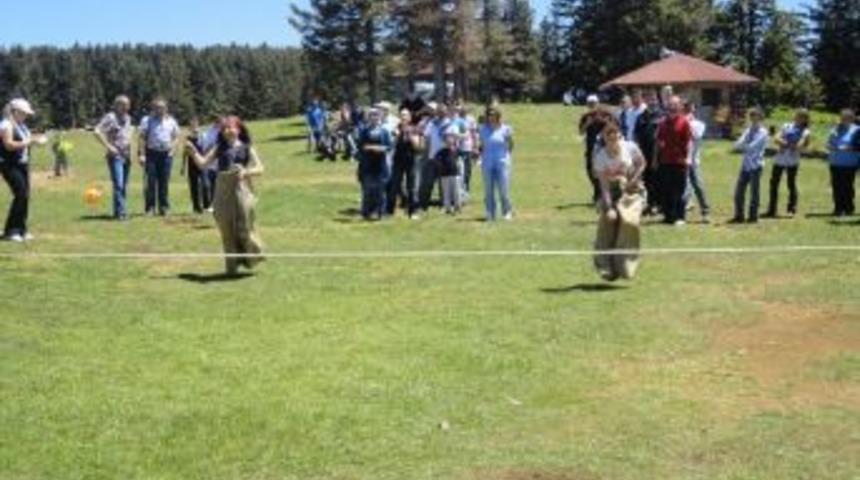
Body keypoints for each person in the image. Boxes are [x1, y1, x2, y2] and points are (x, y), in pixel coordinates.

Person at [185, 116, 265, 276]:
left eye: (231, 127)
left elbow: (260, 168)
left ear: (239, 129)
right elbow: (202, 164)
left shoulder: (247, 147)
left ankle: (253, 254)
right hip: (222, 189)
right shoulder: (218, 147)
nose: (228, 130)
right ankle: (231, 267)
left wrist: (245, 171)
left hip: (242, 189)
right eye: (225, 128)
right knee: (226, 228)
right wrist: (193, 152)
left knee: (244, 227)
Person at [592, 122, 647, 282]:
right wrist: (609, 207)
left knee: (629, 223)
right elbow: (603, 185)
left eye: (615, 138)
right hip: (611, 192)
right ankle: (606, 268)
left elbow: (642, 163)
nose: (613, 143)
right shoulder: (600, 156)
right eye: (609, 140)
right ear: (604, 139)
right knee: (608, 224)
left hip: (630, 191)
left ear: (619, 137)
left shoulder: (629, 147)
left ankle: (626, 266)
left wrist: (634, 180)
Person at [0, 99, 46, 242]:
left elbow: (25, 140)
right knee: (20, 194)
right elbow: (8, 145)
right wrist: (30, 142)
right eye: (24, 113)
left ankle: (21, 229)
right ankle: (11, 230)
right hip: (9, 164)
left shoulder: (21, 125)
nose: (26, 116)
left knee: (25, 195)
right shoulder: (5, 125)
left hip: (22, 164)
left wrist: (36, 139)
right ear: (15, 112)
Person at [94, 95, 135, 220]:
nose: (127, 107)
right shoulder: (110, 117)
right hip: (115, 155)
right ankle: (122, 213)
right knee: (119, 184)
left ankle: (118, 211)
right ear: (117, 105)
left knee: (123, 185)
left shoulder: (128, 118)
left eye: (128, 104)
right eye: (124, 104)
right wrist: (108, 146)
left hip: (126, 155)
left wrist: (131, 153)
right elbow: (96, 131)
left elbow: (127, 136)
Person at [764, 109, 811, 218]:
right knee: (774, 184)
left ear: (805, 119)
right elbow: (776, 138)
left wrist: (785, 143)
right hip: (779, 158)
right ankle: (771, 209)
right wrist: (788, 144)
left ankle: (791, 209)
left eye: (802, 116)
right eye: (798, 115)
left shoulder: (805, 131)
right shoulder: (786, 125)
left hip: (793, 160)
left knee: (791, 184)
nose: (798, 117)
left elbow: (800, 145)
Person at [138, 97, 180, 216]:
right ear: (153, 108)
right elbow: (141, 137)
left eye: (162, 108)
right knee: (151, 182)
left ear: (166, 108)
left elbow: (176, 136)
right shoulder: (147, 120)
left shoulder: (171, 121)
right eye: (157, 107)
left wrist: (173, 150)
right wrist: (141, 154)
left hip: (166, 155)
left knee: (164, 182)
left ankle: (164, 207)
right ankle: (150, 208)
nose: (159, 110)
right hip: (151, 154)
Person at [655, 95, 692, 225]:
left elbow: (689, 142)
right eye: (671, 105)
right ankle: (668, 216)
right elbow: (658, 140)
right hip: (665, 161)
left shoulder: (684, 122)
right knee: (666, 190)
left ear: (680, 107)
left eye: (675, 105)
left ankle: (680, 217)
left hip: (679, 161)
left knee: (679, 190)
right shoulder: (663, 123)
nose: (673, 107)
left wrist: (688, 158)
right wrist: (657, 154)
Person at [730, 108, 770, 224]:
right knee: (739, 192)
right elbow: (739, 142)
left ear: (760, 118)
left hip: (756, 165)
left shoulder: (763, 132)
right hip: (745, 165)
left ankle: (753, 217)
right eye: (751, 116)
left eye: (755, 116)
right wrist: (739, 144)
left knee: (754, 193)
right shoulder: (748, 130)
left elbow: (751, 146)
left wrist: (740, 146)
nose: (752, 118)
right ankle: (739, 216)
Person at [479, 106, 515, 221]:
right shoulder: (483, 129)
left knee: (503, 189)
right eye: (489, 114)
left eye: (493, 114)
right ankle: (490, 212)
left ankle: (507, 212)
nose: (491, 116)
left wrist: (505, 157)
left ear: (498, 115)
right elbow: (481, 145)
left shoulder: (506, 129)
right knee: (488, 189)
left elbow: (511, 145)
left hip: (502, 162)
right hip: (487, 162)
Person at [357, 108, 393, 221]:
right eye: (372, 115)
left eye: (376, 115)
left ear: (380, 117)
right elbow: (360, 146)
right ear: (369, 117)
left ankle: (381, 212)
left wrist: (381, 148)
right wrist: (368, 148)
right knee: (367, 190)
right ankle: (366, 212)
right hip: (368, 165)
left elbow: (389, 146)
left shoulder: (384, 132)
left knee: (381, 191)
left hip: (381, 165)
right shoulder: (364, 131)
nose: (374, 118)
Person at [634, 91, 665, 216]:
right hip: (644, 153)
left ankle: (659, 205)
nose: (652, 101)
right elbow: (636, 136)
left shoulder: (662, 116)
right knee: (646, 180)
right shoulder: (641, 117)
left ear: (657, 100)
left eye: (654, 99)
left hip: (659, 154)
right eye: (649, 99)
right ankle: (650, 204)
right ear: (645, 101)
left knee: (659, 180)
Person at [578, 95, 613, 204]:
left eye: (593, 103)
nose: (592, 105)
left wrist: (602, 120)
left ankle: (602, 194)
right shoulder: (585, 116)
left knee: (602, 171)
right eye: (589, 103)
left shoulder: (606, 114)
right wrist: (588, 124)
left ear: (598, 103)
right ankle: (597, 191)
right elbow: (581, 132)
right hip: (590, 147)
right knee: (590, 170)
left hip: (603, 148)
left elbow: (612, 128)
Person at [387, 109, 421, 218]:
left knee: (412, 187)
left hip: (411, 160)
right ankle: (390, 210)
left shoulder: (415, 129)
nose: (403, 118)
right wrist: (397, 136)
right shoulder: (396, 128)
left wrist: (410, 136)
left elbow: (417, 146)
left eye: (405, 116)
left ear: (409, 118)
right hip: (398, 160)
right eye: (401, 116)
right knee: (395, 185)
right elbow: (391, 144)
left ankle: (413, 211)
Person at [418, 102, 451, 211]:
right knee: (427, 182)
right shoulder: (432, 123)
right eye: (439, 110)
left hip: (444, 157)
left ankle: (444, 204)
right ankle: (423, 204)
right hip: (431, 157)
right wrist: (423, 148)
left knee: (443, 183)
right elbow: (425, 136)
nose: (441, 112)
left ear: (446, 112)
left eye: (443, 111)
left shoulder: (450, 123)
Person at [827, 109, 860, 217]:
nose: (844, 120)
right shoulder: (835, 129)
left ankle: (849, 208)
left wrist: (848, 148)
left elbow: (858, 146)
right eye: (842, 117)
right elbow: (828, 144)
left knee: (847, 186)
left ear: (852, 118)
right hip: (835, 162)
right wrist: (832, 145)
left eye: (847, 118)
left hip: (850, 163)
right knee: (836, 186)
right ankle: (838, 208)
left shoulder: (857, 130)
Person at [683, 102, 711, 223]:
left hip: (693, 161)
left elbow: (696, 136)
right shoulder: (682, 122)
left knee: (698, 185)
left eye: (691, 110)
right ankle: (681, 213)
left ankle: (705, 212)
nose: (689, 112)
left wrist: (687, 124)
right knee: (683, 187)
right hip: (683, 160)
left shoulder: (700, 124)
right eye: (686, 110)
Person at [181, 117, 213, 214]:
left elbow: (207, 148)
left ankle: (207, 206)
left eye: (195, 124)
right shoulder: (188, 138)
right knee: (194, 186)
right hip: (191, 164)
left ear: (198, 125)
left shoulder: (203, 136)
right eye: (191, 125)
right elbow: (185, 153)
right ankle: (196, 207)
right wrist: (183, 166)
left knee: (206, 185)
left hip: (203, 162)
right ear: (189, 127)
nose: (194, 126)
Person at [435, 128, 462, 215]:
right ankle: (447, 208)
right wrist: (440, 168)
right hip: (445, 175)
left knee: (457, 192)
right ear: (444, 141)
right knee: (446, 192)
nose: (449, 140)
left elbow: (459, 160)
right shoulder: (441, 152)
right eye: (447, 139)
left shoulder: (457, 150)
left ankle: (457, 207)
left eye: (451, 138)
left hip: (455, 174)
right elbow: (437, 162)